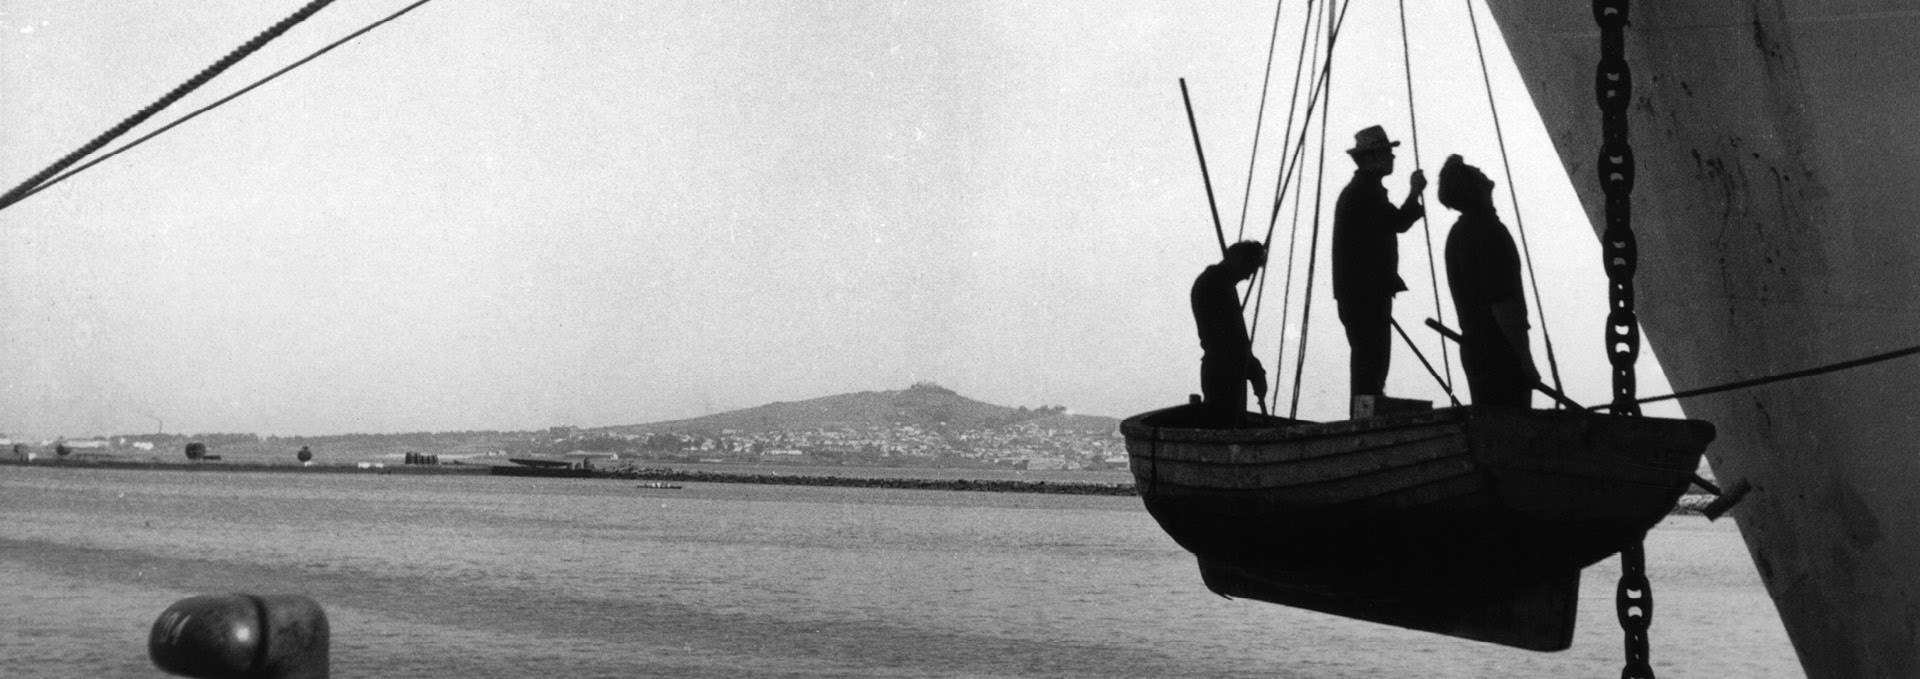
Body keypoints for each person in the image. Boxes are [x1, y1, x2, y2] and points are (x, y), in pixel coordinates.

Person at [1332, 125, 1426, 410]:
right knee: (1371, 365)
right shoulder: (1366, 192)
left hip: (1359, 295)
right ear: (1374, 157)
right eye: (1388, 152)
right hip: (1367, 296)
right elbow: (1397, 222)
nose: (1393, 158)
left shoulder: (1361, 191)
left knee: (1369, 363)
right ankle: (1363, 422)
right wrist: (1414, 192)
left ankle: (1363, 418)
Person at [1439, 154, 1538, 407]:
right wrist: (1524, 359)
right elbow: (1503, 303)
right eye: (1474, 170)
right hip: (1500, 352)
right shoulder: (1489, 231)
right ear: (1475, 186)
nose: (1480, 169)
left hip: (1476, 349)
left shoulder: (1458, 234)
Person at [1191, 241, 1269, 426]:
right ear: (1239, 259)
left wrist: (1253, 369)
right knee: (1226, 425)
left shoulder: (1216, 282)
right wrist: (1255, 370)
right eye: (1250, 269)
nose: (1249, 277)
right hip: (1223, 372)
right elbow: (1229, 340)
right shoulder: (1216, 284)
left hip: (1224, 370)